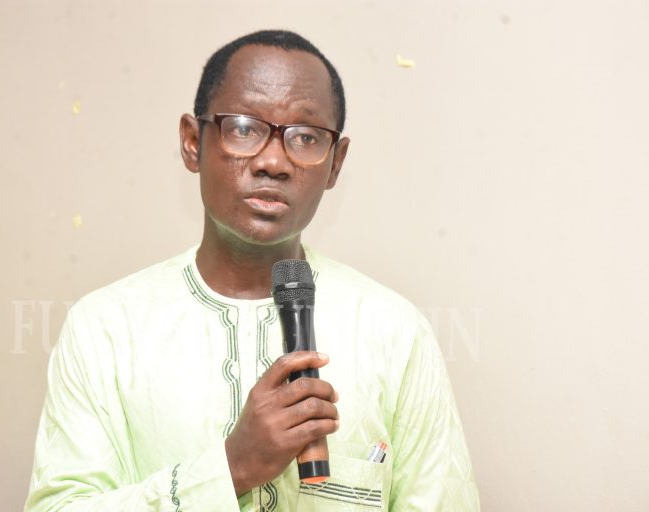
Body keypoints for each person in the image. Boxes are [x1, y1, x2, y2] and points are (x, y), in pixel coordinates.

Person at [25, 30, 479, 511]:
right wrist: (231, 469)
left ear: (335, 164)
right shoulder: (104, 329)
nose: (273, 161)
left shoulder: (395, 331)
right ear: (192, 142)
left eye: (305, 138)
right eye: (243, 128)